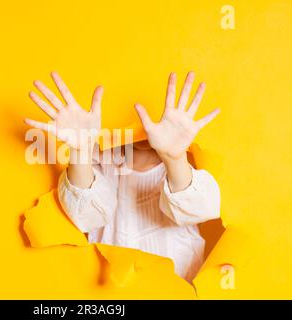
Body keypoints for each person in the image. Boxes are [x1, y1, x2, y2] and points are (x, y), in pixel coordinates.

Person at [24, 71, 221, 281]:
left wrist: (174, 158)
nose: (144, 127)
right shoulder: (103, 163)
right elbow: (87, 214)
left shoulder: (185, 168)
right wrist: (81, 151)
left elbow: (200, 208)